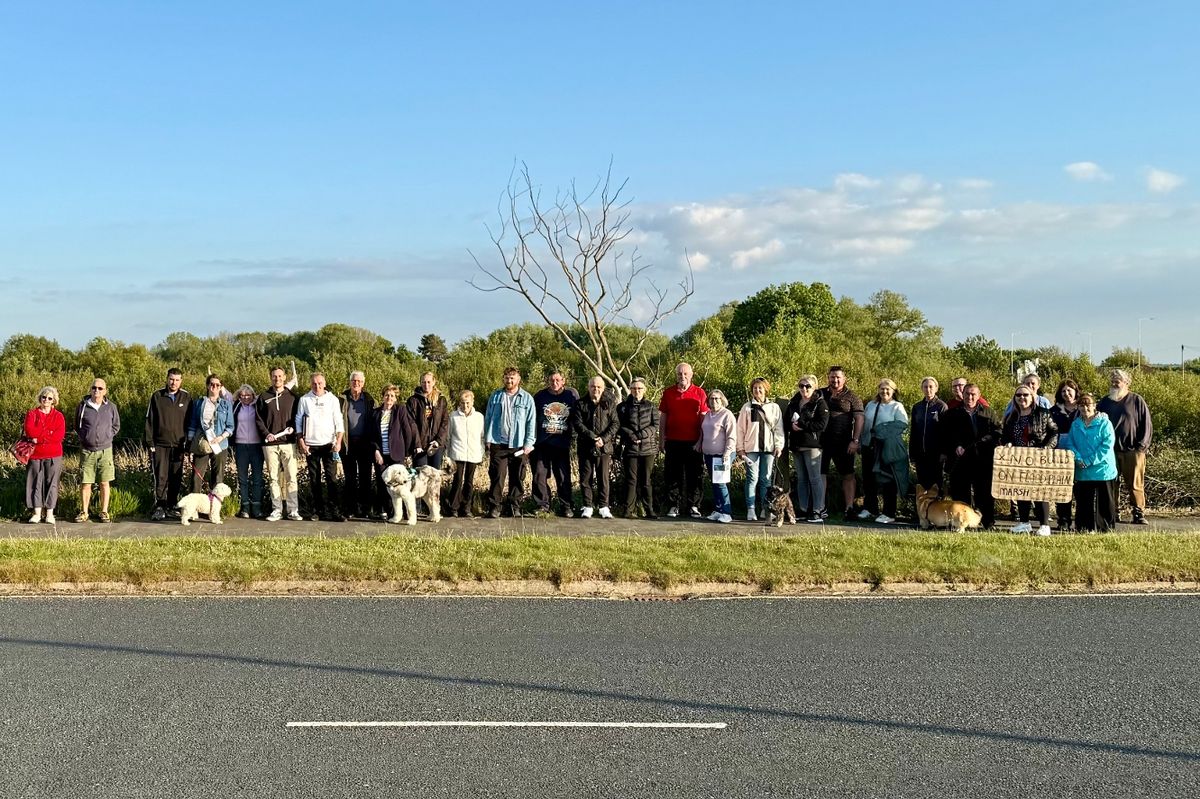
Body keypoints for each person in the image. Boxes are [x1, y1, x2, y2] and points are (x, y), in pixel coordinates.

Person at [1001, 384, 1060, 536]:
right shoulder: (1011, 417)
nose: (1022, 398)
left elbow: (1054, 432)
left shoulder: (1043, 413)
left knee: (1040, 491)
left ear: (1032, 397)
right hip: (1019, 458)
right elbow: (1005, 435)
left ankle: (1044, 525)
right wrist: (1007, 443)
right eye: (1019, 395)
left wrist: (1047, 447)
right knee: (1022, 491)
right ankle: (1024, 523)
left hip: (1039, 457)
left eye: (1025, 395)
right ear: (1015, 398)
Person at [1097, 368, 1153, 524]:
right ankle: (1113, 512)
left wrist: (1141, 447)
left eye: (1118, 381)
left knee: (1135, 484)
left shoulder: (1136, 400)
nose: (1114, 384)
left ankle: (1138, 513)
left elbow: (1146, 424)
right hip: (1109, 451)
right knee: (1111, 483)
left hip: (1133, 450)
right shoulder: (1104, 402)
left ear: (1126, 383)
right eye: (1112, 381)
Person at [942, 383, 1002, 528]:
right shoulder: (952, 413)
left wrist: (986, 440)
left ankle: (988, 523)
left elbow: (998, 431)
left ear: (979, 395)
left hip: (983, 459)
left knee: (985, 493)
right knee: (960, 493)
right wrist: (955, 446)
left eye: (973, 394)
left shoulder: (988, 412)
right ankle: (963, 523)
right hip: (960, 460)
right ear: (962, 395)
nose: (970, 397)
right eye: (967, 394)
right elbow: (945, 434)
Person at [1060, 393, 1118, 532]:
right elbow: (1070, 443)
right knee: (1083, 501)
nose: (1085, 408)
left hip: (1102, 469)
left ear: (1094, 406)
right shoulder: (1076, 424)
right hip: (1083, 469)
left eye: (1088, 405)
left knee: (1105, 501)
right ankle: (1084, 528)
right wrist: (1078, 459)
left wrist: (1090, 460)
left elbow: (1107, 445)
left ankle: (1105, 529)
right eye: (1081, 405)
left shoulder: (1105, 423)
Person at [483, 367, 536, 518]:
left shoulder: (526, 398)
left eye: (512, 378)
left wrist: (529, 443)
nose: (509, 380)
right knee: (497, 476)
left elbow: (531, 422)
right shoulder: (496, 396)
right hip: (498, 442)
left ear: (518, 379)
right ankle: (495, 507)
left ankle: (514, 507)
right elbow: (488, 417)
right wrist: (487, 438)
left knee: (517, 476)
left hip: (518, 444)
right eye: (507, 377)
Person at [659, 362, 709, 518]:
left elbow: (704, 419)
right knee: (672, 475)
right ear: (676, 375)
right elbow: (663, 417)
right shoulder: (668, 393)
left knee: (695, 475)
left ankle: (694, 506)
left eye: (685, 373)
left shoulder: (700, 393)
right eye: (680, 374)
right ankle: (674, 505)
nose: (682, 376)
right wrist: (661, 439)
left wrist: (701, 440)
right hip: (673, 440)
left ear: (691, 375)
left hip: (694, 442)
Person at [295, 372, 345, 522]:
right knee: (314, 480)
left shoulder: (333, 399)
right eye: (314, 384)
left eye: (320, 383)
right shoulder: (304, 399)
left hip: (329, 445)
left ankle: (334, 511)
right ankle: (318, 511)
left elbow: (339, 421)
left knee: (331, 478)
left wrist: (339, 441)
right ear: (311, 384)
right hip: (311, 446)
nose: (317, 386)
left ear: (324, 383)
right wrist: (301, 441)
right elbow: (298, 420)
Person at [257, 364, 303, 521]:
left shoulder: (293, 397)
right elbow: (258, 419)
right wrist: (267, 433)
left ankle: (293, 510)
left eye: (280, 376)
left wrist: (295, 432)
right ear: (271, 378)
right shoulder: (263, 397)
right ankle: (276, 510)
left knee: (291, 478)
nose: (277, 379)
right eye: (274, 376)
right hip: (270, 445)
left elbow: (298, 418)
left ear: (284, 377)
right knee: (273, 478)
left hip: (288, 443)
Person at [819, 366, 865, 521]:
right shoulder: (819, 393)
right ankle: (820, 508)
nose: (835, 380)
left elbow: (859, 419)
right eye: (832, 377)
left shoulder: (852, 396)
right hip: (822, 441)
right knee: (821, 474)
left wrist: (855, 440)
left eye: (838, 377)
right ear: (828, 378)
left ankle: (849, 508)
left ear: (844, 379)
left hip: (844, 442)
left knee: (848, 474)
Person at [861, 379, 909, 524]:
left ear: (893, 391)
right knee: (868, 478)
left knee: (887, 479)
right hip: (868, 446)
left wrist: (883, 431)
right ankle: (870, 508)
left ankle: (889, 512)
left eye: (888, 389)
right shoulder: (871, 404)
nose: (884, 391)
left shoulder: (897, 406)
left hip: (885, 449)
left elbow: (902, 424)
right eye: (882, 388)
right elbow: (864, 424)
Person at [145, 368, 191, 520]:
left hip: (178, 445)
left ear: (181, 381)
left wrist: (188, 443)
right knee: (161, 476)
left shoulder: (186, 397)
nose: (174, 382)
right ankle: (160, 506)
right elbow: (149, 420)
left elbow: (190, 422)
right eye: (171, 379)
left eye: (177, 380)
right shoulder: (157, 396)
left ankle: (171, 506)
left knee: (176, 477)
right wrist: (150, 441)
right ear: (167, 379)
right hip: (160, 444)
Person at [736, 377, 784, 522]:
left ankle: (766, 509)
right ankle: (750, 509)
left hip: (768, 448)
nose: (757, 390)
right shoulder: (747, 407)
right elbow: (740, 429)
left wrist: (779, 445)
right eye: (755, 388)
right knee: (752, 478)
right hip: (751, 448)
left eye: (760, 388)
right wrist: (740, 448)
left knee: (766, 480)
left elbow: (778, 428)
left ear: (765, 389)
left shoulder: (774, 407)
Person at [531, 371, 579, 516]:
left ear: (563, 381)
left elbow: (577, 417)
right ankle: (543, 505)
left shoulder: (571, 395)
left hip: (562, 443)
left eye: (558, 380)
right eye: (552, 380)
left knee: (563, 476)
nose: (555, 383)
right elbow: (531, 418)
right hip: (542, 443)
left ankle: (566, 506)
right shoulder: (540, 396)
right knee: (539, 475)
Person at [572, 376, 619, 519]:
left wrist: (603, 439)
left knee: (603, 478)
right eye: (593, 386)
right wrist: (593, 437)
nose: (596, 389)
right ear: (588, 387)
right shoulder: (580, 404)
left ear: (603, 388)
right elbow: (578, 424)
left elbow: (615, 423)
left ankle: (604, 506)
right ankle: (588, 506)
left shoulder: (609, 403)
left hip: (604, 447)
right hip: (586, 446)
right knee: (586, 478)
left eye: (599, 387)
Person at [74, 378, 120, 523]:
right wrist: (85, 438)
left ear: (105, 391)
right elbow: (77, 426)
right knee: (86, 483)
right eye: (94, 388)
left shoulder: (111, 407)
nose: (97, 391)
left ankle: (104, 511)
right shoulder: (82, 406)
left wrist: (107, 436)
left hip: (105, 450)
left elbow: (116, 425)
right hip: (87, 450)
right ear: (90, 389)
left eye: (100, 388)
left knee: (104, 482)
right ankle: (84, 512)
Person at [786, 374, 829, 522]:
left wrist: (803, 425)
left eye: (808, 386)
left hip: (812, 446)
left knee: (815, 478)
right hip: (797, 445)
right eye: (801, 386)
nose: (804, 389)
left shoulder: (820, 403)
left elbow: (821, 425)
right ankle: (803, 509)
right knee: (802, 479)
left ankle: (817, 510)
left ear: (814, 387)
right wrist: (791, 426)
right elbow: (786, 421)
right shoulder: (794, 402)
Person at [371, 384, 418, 517]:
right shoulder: (376, 413)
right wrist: (376, 451)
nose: (389, 398)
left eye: (392, 396)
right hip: (381, 455)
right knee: (383, 483)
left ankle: (403, 513)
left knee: (400, 485)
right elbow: (372, 435)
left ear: (395, 398)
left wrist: (406, 452)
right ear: (383, 396)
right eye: (387, 395)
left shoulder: (400, 410)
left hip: (397, 454)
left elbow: (407, 431)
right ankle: (389, 512)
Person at [618, 377, 660, 518]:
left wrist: (641, 435)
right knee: (631, 480)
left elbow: (655, 425)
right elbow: (619, 426)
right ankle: (628, 510)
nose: (637, 391)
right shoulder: (623, 407)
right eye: (634, 388)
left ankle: (649, 510)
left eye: (640, 388)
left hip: (648, 448)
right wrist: (632, 436)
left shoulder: (651, 406)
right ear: (630, 390)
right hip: (630, 448)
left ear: (644, 390)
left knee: (646, 480)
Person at [24, 386, 66, 524]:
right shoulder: (32, 414)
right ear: (40, 398)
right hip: (35, 455)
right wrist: (48, 434)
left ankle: (49, 514)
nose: (46, 400)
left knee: (52, 483)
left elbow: (58, 436)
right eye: (44, 397)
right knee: (35, 482)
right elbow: (30, 431)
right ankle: (36, 513)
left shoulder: (58, 416)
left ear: (54, 400)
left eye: (49, 398)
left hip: (54, 455)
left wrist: (40, 438)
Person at [187, 374, 234, 494]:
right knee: (196, 477)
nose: (214, 387)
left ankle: (215, 503)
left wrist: (221, 437)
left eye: (217, 385)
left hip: (220, 445)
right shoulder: (198, 403)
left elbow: (230, 427)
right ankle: (195, 502)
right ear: (208, 386)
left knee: (218, 478)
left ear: (221, 387)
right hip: (202, 443)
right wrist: (189, 442)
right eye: (212, 384)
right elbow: (193, 423)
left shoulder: (226, 405)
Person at [339, 371, 376, 519]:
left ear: (363, 383)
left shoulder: (369, 400)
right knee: (350, 478)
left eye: (359, 381)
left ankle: (366, 509)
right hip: (348, 443)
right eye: (354, 381)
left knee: (365, 477)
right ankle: (350, 508)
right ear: (350, 382)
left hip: (365, 443)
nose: (356, 383)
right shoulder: (342, 399)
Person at [698, 389, 737, 523]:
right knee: (714, 483)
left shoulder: (727, 415)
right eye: (711, 398)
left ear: (722, 400)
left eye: (717, 398)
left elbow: (731, 436)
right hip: (709, 455)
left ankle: (726, 512)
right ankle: (718, 509)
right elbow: (704, 432)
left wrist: (727, 453)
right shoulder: (708, 415)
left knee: (721, 483)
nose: (714, 401)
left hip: (722, 455)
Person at [1049, 379, 1082, 531]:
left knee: (1080, 489)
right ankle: (1063, 520)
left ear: (1076, 391)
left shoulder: (1083, 409)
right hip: (1060, 452)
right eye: (1063, 391)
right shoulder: (1053, 411)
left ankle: (1081, 521)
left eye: (1069, 390)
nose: (1066, 393)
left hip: (1080, 451)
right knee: (1062, 488)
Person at [446, 389, 485, 517]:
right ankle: (453, 508)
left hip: (473, 454)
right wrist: (447, 455)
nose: (465, 405)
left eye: (468, 402)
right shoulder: (453, 416)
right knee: (457, 481)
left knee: (469, 482)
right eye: (462, 402)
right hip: (457, 453)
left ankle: (466, 508)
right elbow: (448, 437)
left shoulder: (479, 417)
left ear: (472, 402)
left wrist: (481, 452)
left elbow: (482, 437)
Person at [231, 384, 265, 519]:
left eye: (248, 395)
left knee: (257, 478)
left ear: (253, 395)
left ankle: (257, 508)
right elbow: (224, 392)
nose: (245, 397)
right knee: (242, 479)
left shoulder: (258, 405)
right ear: (239, 396)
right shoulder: (236, 406)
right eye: (242, 395)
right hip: (241, 446)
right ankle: (244, 507)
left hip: (256, 446)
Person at [909, 376, 948, 492]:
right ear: (922, 388)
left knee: (936, 484)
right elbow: (913, 431)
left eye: (931, 387)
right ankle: (924, 503)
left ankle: (937, 503)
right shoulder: (917, 407)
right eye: (925, 387)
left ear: (936, 388)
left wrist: (944, 452)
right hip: (920, 453)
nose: (928, 389)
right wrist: (912, 453)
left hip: (936, 454)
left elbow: (946, 432)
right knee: (922, 483)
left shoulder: (941, 406)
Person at [407, 371, 450, 469]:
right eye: (423, 382)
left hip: (436, 446)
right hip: (420, 446)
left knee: (434, 475)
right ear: (420, 383)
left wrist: (438, 441)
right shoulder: (413, 401)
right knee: (421, 474)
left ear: (434, 382)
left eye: (429, 382)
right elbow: (411, 424)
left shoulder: (441, 400)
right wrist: (417, 444)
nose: (426, 385)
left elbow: (445, 422)